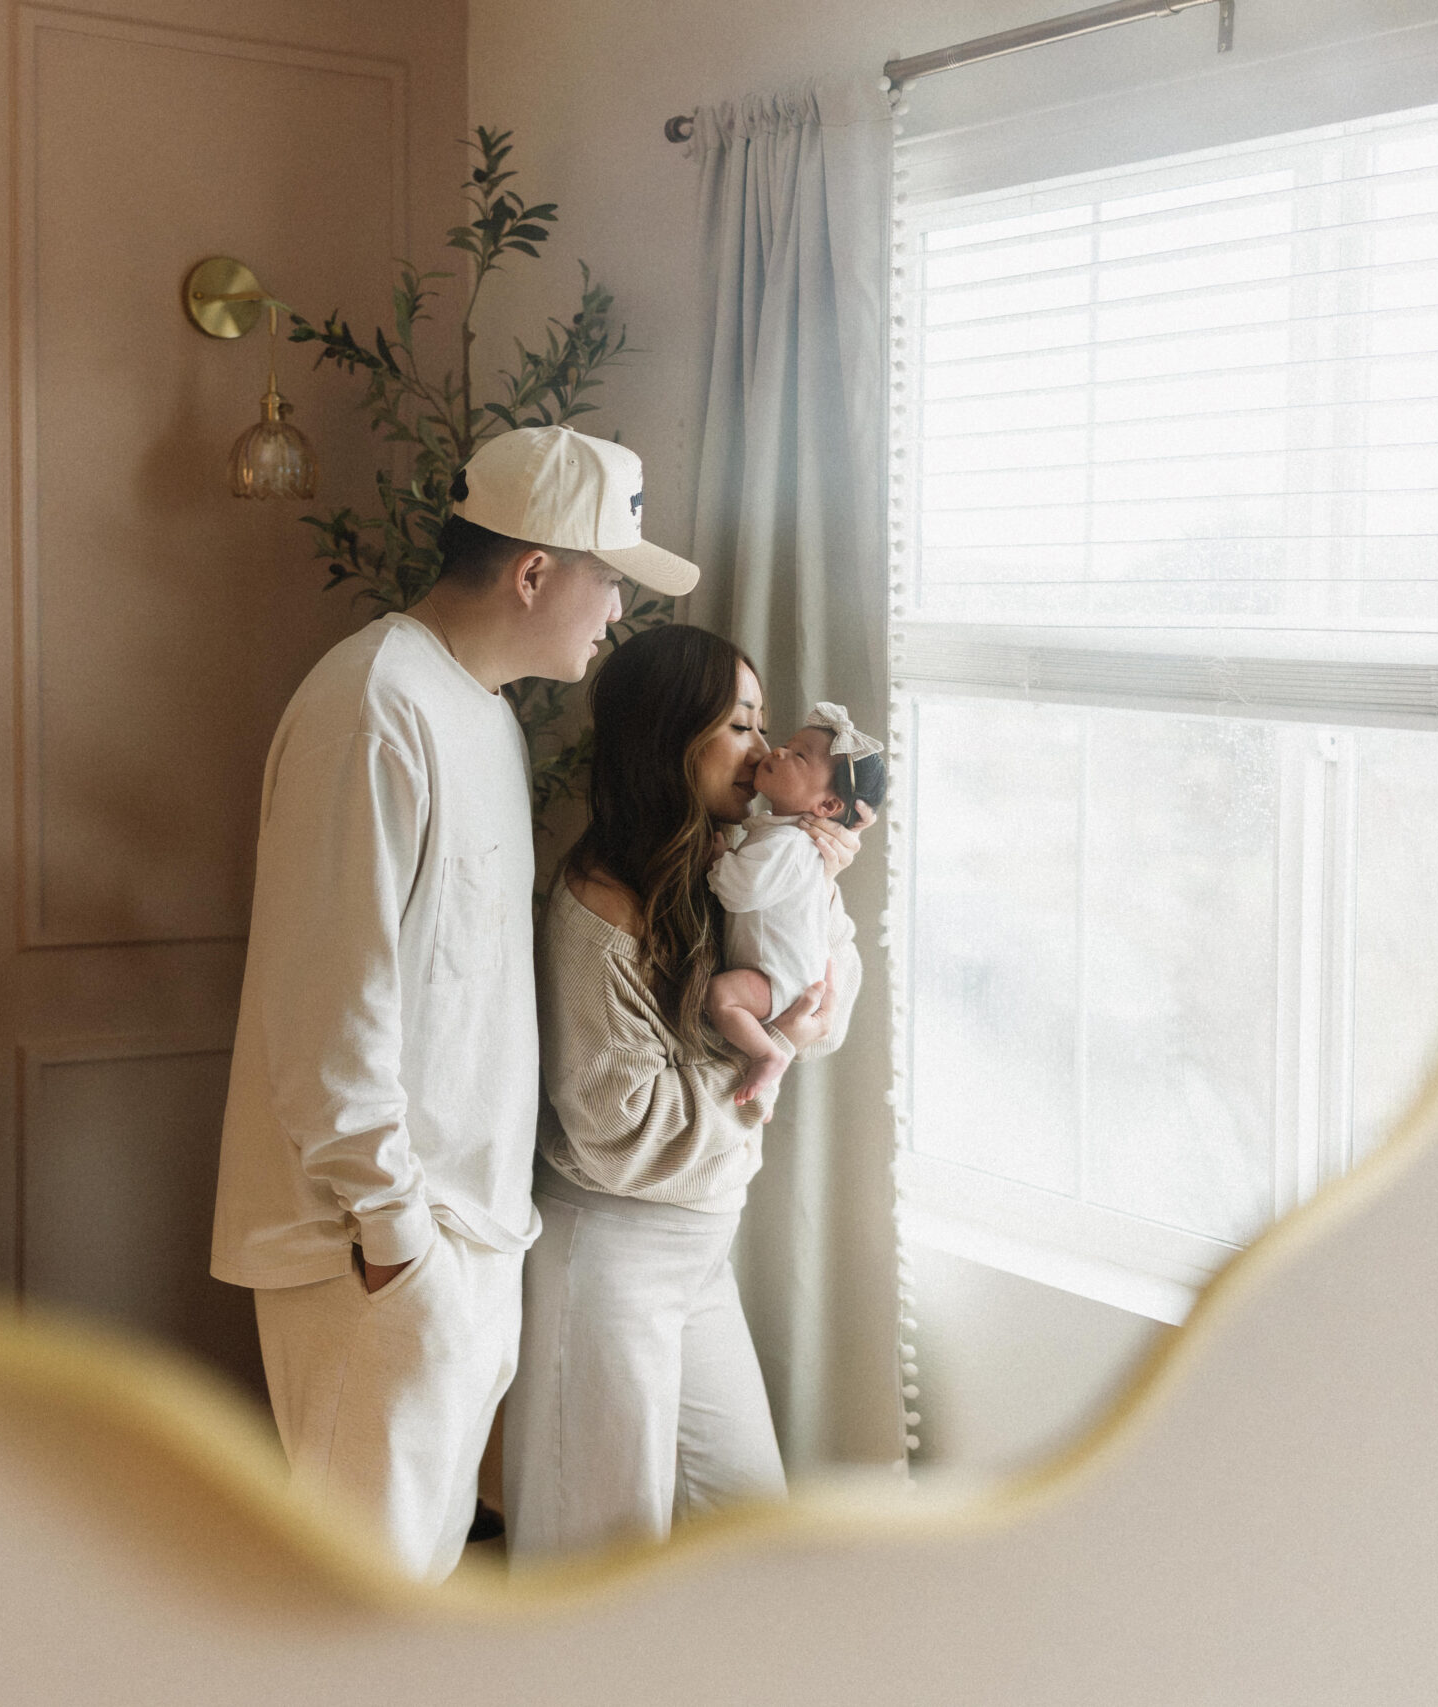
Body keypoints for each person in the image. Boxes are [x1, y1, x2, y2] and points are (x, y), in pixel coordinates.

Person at [208, 424, 701, 1584]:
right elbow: (331, 999)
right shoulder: (373, 706)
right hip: (377, 1245)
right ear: (534, 572)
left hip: (461, 1235)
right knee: (352, 1603)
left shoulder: (475, 708)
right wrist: (392, 1235)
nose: (614, 614)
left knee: (410, 1588)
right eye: (608, 581)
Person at [504, 625, 867, 1563]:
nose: (763, 749)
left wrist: (816, 894)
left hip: (702, 1248)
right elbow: (621, 1126)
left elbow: (827, 996)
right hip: (611, 1252)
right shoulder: (596, 906)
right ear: (672, 734)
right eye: (740, 725)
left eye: (761, 724)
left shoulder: (735, 865)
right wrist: (766, 1062)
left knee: (749, 1538)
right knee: (597, 1560)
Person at [705, 705, 888, 1105]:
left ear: (826, 807)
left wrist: (719, 862)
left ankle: (768, 1053)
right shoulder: (784, 836)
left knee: (720, 997)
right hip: (787, 976)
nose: (775, 751)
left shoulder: (787, 842)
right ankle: (764, 1074)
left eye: (798, 756)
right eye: (787, 745)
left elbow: (737, 891)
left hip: (779, 981)